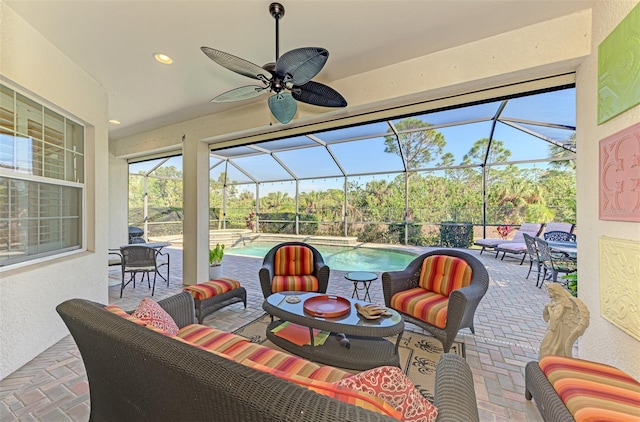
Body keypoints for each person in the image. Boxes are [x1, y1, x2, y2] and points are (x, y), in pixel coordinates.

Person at [539, 283, 589, 358]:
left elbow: (554, 321)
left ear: (555, 292)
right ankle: (545, 361)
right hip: (552, 327)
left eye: (550, 291)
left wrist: (549, 309)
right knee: (546, 347)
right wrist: (546, 308)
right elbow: (546, 318)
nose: (548, 293)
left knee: (545, 347)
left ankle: (547, 361)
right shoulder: (554, 302)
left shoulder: (561, 305)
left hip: (555, 330)